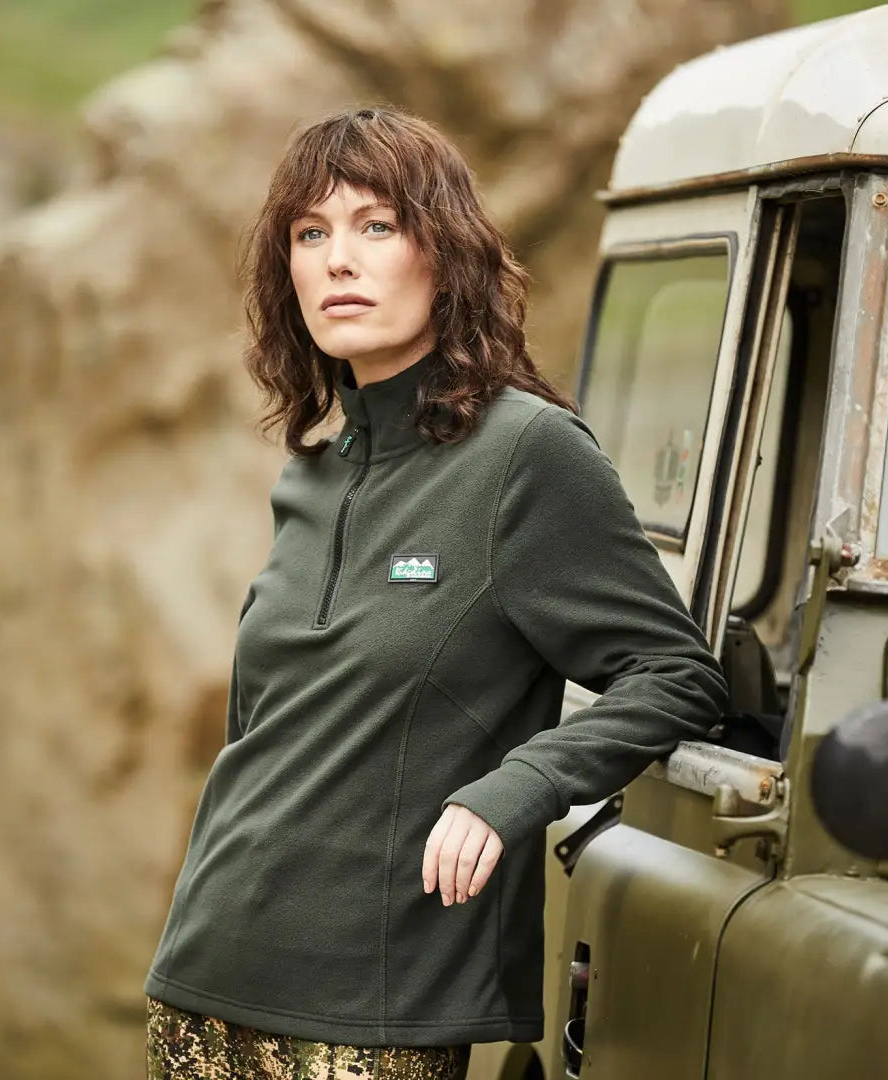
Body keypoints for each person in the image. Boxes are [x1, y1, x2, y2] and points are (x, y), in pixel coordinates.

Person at [143, 106, 727, 1080]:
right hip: (201, 990)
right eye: (310, 233)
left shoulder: (527, 455)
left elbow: (675, 675)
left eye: (376, 226)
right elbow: (267, 734)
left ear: (444, 253)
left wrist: (512, 793)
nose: (339, 260)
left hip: (373, 1024)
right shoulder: (309, 475)